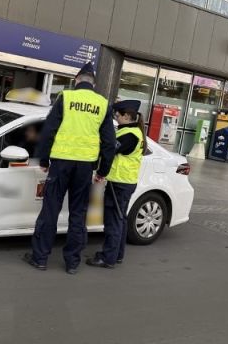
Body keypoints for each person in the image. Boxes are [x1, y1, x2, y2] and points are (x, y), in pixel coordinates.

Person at [23, 61, 116, 275]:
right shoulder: (102, 103)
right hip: (85, 168)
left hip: (61, 164)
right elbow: (109, 142)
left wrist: (44, 160)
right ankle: (72, 262)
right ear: (94, 83)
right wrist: (103, 171)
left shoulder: (66, 97)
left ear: (76, 81)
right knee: (78, 213)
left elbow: (48, 131)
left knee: (50, 210)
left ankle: (40, 258)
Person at [87, 100, 146, 269]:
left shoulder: (129, 135)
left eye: (118, 115)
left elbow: (109, 150)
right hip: (126, 182)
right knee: (120, 220)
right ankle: (117, 255)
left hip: (119, 183)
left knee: (113, 221)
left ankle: (108, 258)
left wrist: (100, 172)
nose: (116, 118)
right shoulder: (133, 132)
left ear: (127, 116)